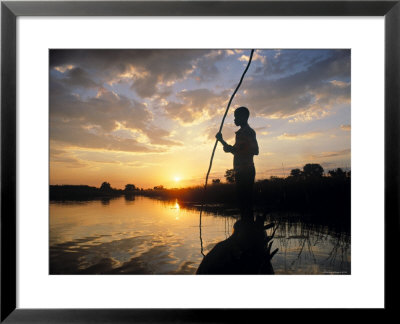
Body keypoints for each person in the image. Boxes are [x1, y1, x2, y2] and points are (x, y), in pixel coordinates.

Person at [216, 106, 259, 221]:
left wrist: (240, 149)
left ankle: (248, 227)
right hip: (240, 171)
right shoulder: (240, 134)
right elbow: (234, 151)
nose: (234, 120)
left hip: (247, 171)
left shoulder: (249, 132)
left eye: (236, 117)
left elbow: (256, 151)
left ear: (244, 117)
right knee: (241, 201)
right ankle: (245, 224)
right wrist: (221, 141)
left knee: (246, 201)